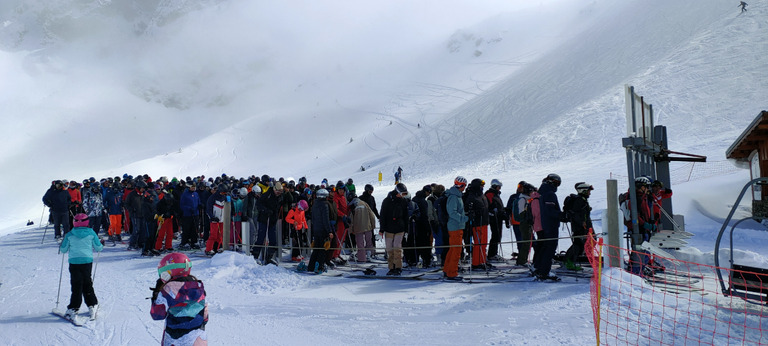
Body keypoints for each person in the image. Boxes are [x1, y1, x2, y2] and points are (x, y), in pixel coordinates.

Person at [151, 252, 209, 346]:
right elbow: (205, 315)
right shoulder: (199, 286)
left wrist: (156, 294)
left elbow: (157, 315)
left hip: (176, 339)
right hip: (198, 338)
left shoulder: (168, 290)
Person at [60, 213, 104, 321]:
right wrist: (102, 244)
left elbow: (63, 250)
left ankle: (74, 307)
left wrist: (62, 245)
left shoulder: (69, 234)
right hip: (87, 261)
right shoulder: (91, 233)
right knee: (87, 282)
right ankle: (92, 304)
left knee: (76, 284)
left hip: (74, 262)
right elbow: (98, 248)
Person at [532, 173, 563, 281]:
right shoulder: (549, 194)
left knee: (544, 247)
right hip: (550, 225)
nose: (557, 187)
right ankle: (544, 272)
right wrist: (562, 215)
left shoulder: (540, 192)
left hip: (543, 225)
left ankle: (539, 268)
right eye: (557, 184)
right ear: (552, 182)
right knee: (549, 248)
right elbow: (550, 211)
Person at [379, 183, 409, 275]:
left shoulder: (403, 201)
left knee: (397, 247)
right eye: (402, 193)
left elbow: (406, 216)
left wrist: (406, 230)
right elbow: (382, 215)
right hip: (389, 229)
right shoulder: (387, 201)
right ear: (398, 192)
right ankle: (391, 267)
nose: (403, 196)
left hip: (400, 228)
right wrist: (381, 230)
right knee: (389, 249)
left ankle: (398, 267)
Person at [563, 182, 594, 271]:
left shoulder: (582, 200)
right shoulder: (579, 200)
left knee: (580, 244)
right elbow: (576, 214)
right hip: (579, 227)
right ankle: (569, 261)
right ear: (583, 191)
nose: (589, 193)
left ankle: (569, 260)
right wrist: (582, 223)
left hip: (581, 226)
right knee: (578, 245)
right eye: (588, 191)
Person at [444, 177, 469, 279]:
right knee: (456, 250)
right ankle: (452, 273)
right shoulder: (454, 197)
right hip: (455, 227)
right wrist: (465, 218)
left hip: (456, 226)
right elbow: (452, 212)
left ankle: (447, 269)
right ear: (461, 186)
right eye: (464, 186)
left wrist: (466, 215)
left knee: (453, 249)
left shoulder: (457, 196)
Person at [465, 178, 491, 270]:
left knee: (483, 243)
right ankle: (476, 263)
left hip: (484, 222)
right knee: (478, 243)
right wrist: (473, 213)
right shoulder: (472, 196)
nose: (482, 187)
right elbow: (468, 208)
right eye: (481, 185)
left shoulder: (481, 195)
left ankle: (483, 260)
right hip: (477, 223)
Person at [307, 189, 335, 273]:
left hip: (316, 229)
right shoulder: (324, 205)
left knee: (316, 248)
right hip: (323, 230)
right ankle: (319, 266)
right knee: (323, 249)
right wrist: (329, 231)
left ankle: (311, 266)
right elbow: (325, 219)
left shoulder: (315, 204)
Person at [349, 197, 376, 262]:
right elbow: (372, 215)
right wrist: (373, 225)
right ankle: (370, 255)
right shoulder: (365, 204)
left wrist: (351, 229)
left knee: (360, 244)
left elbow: (351, 219)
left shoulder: (353, 206)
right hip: (367, 226)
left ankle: (361, 259)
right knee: (369, 241)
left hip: (358, 227)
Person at [485, 179, 505, 261]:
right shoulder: (490, 193)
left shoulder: (496, 194)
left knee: (498, 235)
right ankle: (492, 254)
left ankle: (494, 253)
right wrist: (493, 210)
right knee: (495, 235)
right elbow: (489, 205)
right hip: (494, 217)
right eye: (498, 187)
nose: (499, 189)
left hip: (498, 216)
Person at [179, 183, 201, 250]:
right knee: (187, 229)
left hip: (195, 214)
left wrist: (200, 205)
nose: (194, 188)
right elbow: (182, 205)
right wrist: (188, 208)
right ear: (189, 187)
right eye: (192, 187)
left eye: (194, 187)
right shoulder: (185, 194)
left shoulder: (196, 194)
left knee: (195, 228)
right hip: (187, 214)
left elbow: (198, 201)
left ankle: (193, 242)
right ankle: (184, 242)